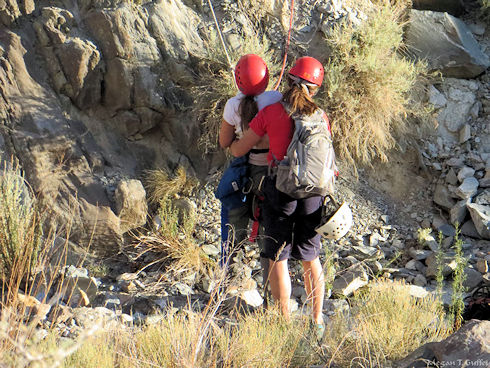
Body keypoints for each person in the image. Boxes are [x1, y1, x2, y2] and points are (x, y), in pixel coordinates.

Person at [229, 56, 328, 332]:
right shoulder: (321, 116)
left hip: (281, 190)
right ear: (315, 89)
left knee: (278, 257)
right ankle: (317, 322)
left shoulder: (272, 113)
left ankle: (283, 324)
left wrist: (232, 146)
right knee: (311, 258)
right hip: (313, 193)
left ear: (287, 82)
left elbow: (239, 148)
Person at [218, 54, 282, 284]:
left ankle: (229, 282)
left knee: (232, 223)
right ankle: (271, 288)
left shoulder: (233, 105)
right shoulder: (277, 98)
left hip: (245, 169)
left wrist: (239, 142)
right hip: (274, 172)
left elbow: (225, 142)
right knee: (270, 230)